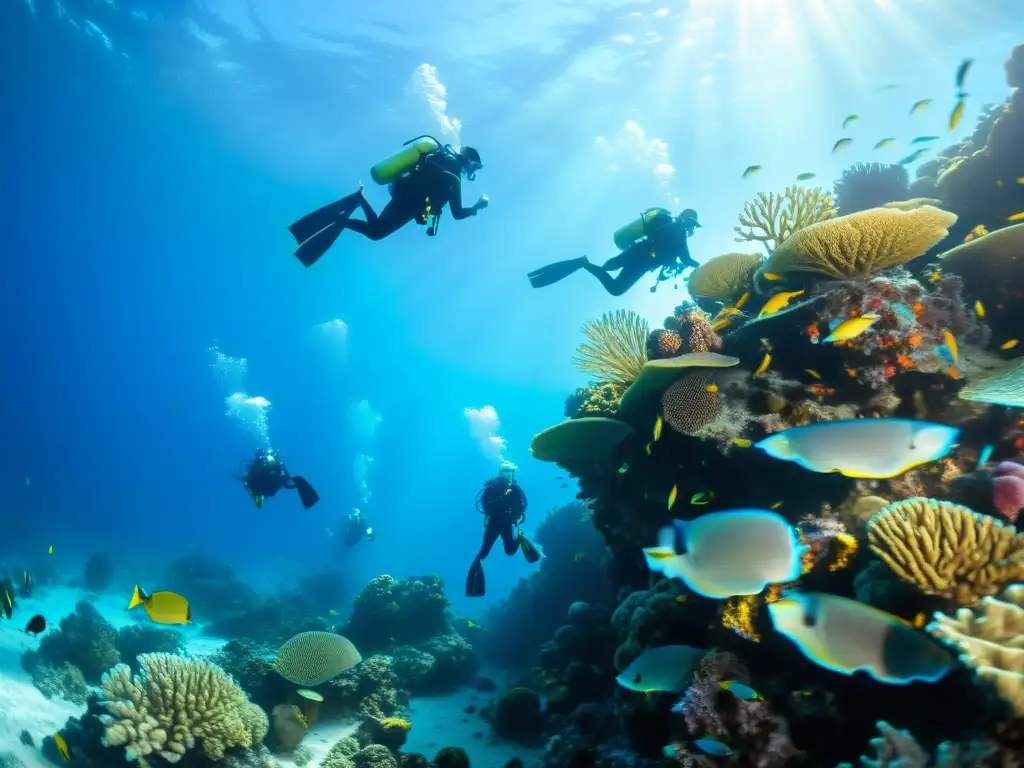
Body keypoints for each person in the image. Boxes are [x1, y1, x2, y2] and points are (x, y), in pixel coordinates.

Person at [288, 138, 489, 267]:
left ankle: (358, 203)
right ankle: (352, 209)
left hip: (404, 196)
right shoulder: (454, 177)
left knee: (377, 230)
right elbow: (458, 213)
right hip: (411, 205)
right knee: (376, 232)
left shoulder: (440, 160)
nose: (474, 171)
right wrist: (477, 208)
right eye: (476, 167)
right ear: (470, 161)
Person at [528, 208, 701, 296]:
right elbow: (685, 257)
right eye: (692, 224)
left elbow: (680, 255)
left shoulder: (675, 228)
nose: (692, 228)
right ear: (688, 221)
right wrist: (699, 265)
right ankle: (582, 263)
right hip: (640, 256)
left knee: (613, 283)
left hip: (640, 259)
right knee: (613, 280)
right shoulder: (678, 228)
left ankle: (582, 263)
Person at [465, 462, 541, 598]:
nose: (508, 475)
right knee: (484, 552)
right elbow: (486, 504)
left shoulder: (514, 488)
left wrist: (515, 514)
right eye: (506, 472)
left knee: (508, 551)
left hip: (504, 523)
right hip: (495, 523)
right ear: (502, 473)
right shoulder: (493, 487)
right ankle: (476, 578)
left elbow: (523, 505)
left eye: (509, 472)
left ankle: (519, 539)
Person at [234, 448, 319, 510]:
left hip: (269, 486)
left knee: (296, 480)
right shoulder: (255, 469)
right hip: (264, 488)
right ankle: (310, 500)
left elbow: (285, 477)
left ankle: (310, 500)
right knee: (259, 499)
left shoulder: (273, 464)